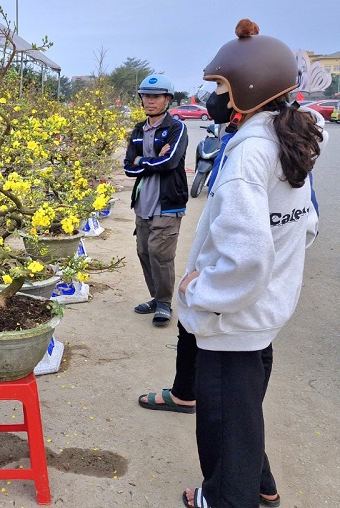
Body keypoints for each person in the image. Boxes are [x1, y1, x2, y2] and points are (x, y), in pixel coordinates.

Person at [168, 19, 325, 508]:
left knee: (226, 424)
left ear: (248, 88)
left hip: (233, 320)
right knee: (245, 411)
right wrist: (276, 267)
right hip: (265, 313)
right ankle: (262, 484)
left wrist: (201, 291)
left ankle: (227, 498)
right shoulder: (290, 137)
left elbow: (247, 257)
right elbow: (308, 223)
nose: (213, 95)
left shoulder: (246, 158)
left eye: (219, 85)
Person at [123, 74, 189, 326]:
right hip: (143, 203)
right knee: (144, 252)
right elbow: (129, 167)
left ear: (168, 99)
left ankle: (163, 303)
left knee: (160, 254)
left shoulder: (176, 128)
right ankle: (156, 296)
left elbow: (170, 161)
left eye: (156, 96)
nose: (150, 101)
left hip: (168, 203)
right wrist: (145, 161)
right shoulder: (139, 130)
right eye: (146, 96)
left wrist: (142, 161)